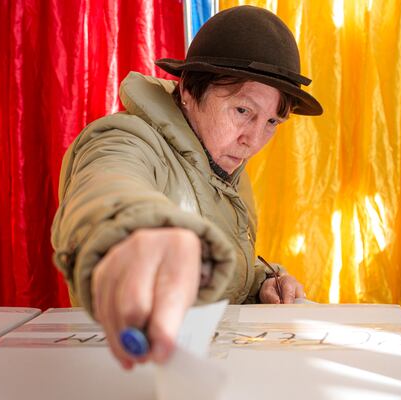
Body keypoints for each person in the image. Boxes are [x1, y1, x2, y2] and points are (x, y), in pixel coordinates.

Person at [51, 5, 323, 370]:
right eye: (243, 111)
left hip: (208, 368)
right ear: (191, 91)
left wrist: (261, 283)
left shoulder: (220, 157)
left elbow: (220, 263)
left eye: (271, 121)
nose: (253, 140)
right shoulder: (123, 141)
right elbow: (106, 192)